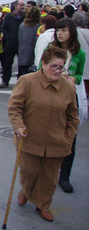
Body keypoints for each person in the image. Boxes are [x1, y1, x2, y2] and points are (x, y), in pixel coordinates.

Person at [8, 46, 78, 223]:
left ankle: (43, 205)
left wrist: (68, 138)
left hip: (57, 142)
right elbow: (15, 107)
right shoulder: (27, 81)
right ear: (43, 64)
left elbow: (73, 117)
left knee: (49, 178)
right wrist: (19, 125)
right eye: (53, 66)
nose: (57, 71)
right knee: (29, 172)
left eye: (60, 67)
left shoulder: (68, 88)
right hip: (29, 139)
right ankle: (26, 189)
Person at [47, 18, 85, 194]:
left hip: (70, 97)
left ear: (72, 32)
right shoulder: (51, 50)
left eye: (63, 30)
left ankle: (64, 176)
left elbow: (79, 74)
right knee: (49, 135)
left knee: (70, 136)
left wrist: (73, 78)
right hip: (50, 96)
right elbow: (41, 69)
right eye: (58, 30)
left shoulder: (79, 53)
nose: (60, 33)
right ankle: (48, 173)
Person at [0, 0, 25, 88]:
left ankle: (20, 80)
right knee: (7, 63)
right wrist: (8, 37)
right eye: (21, 5)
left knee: (21, 63)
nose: (22, 7)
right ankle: (5, 80)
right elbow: (3, 28)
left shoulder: (25, 17)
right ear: (15, 6)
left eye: (23, 5)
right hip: (10, 43)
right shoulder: (9, 17)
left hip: (21, 43)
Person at [17, 6, 41, 77]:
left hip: (22, 51)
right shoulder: (38, 27)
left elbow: (19, 38)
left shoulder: (22, 25)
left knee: (23, 73)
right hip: (32, 52)